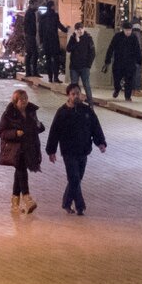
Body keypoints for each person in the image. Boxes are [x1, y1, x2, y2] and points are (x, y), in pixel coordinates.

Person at [46, 83, 108, 216]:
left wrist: (100, 143)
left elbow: (95, 127)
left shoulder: (86, 111)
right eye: (73, 94)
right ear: (68, 95)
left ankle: (67, 203)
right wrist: (51, 151)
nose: (76, 96)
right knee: (74, 179)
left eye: (77, 93)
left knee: (77, 179)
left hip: (83, 150)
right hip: (68, 152)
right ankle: (80, 206)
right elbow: (54, 132)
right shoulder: (62, 112)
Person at [0, 88, 45, 214]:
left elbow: (37, 127)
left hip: (29, 147)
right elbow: (1, 132)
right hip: (16, 149)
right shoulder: (9, 114)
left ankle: (15, 203)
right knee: (21, 170)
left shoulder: (31, 111)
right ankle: (27, 197)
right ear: (15, 101)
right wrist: (15, 133)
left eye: (26, 99)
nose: (24, 101)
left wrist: (39, 126)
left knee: (19, 172)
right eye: (21, 99)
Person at [104, 20, 142, 101]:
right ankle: (117, 89)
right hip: (118, 62)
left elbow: (137, 50)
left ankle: (127, 96)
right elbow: (111, 48)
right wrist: (107, 60)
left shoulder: (134, 38)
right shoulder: (117, 36)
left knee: (129, 80)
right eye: (127, 30)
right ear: (123, 30)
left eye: (130, 30)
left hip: (130, 63)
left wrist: (139, 60)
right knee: (116, 79)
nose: (128, 32)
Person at [39, 0, 69, 83]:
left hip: (46, 41)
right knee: (56, 59)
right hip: (54, 41)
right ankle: (55, 77)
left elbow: (40, 30)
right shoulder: (55, 15)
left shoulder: (43, 16)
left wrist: (41, 41)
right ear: (52, 6)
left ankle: (50, 78)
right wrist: (66, 30)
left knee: (48, 60)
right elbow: (59, 25)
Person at [65, 22, 96, 103]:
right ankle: (73, 102)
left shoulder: (88, 38)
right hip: (74, 67)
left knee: (86, 85)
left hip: (84, 67)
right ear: (75, 31)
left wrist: (88, 65)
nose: (80, 31)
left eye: (81, 29)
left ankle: (90, 103)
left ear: (84, 28)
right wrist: (76, 41)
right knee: (74, 86)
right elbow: (68, 49)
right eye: (78, 30)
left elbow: (92, 53)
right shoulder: (73, 38)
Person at [23, 0, 40, 78]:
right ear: (31, 4)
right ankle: (33, 72)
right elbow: (25, 24)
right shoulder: (29, 13)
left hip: (30, 35)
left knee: (29, 54)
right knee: (34, 54)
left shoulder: (31, 13)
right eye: (36, 4)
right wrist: (28, 35)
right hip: (30, 36)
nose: (37, 6)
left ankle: (29, 72)